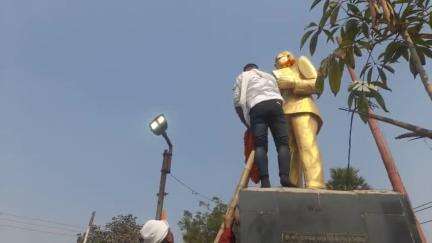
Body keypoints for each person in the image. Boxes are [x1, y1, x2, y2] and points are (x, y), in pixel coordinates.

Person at [272, 51, 325, 189]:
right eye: (276, 60)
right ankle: (292, 183)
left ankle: (315, 183)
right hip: (284, 111)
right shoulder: (276, 75)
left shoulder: (300, 62)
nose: (277, 61)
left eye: (280, 57)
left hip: (303, 107)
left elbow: (317, 84)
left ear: (289, 56)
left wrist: (293, 83)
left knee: (306, 144)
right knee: (289, 149)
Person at [233, 63, 291, 188]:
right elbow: (277, 92)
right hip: (275, 105)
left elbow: (237, 103)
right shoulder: (268, 76)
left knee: (260, 146)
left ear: (246, 70)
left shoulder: (242, 77)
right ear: (257, 69)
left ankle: (265, 181)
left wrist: (247, 124)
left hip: (256, 107)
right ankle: (285, 177)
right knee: (283, 143)